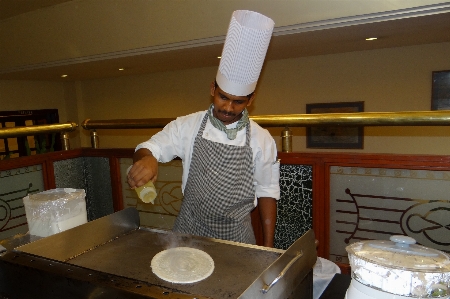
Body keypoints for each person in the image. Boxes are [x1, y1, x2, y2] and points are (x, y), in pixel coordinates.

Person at [127, 10, 280, 247]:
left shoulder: (261, 138)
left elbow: (267, 191)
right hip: (189, 229)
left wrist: (269, 249)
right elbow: (149, 147)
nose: (228, 107)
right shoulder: (188, 125)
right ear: (212, 89)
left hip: (236, 237)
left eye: (238, 101)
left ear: (250, 100)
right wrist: (146, 159)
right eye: (223, 97)